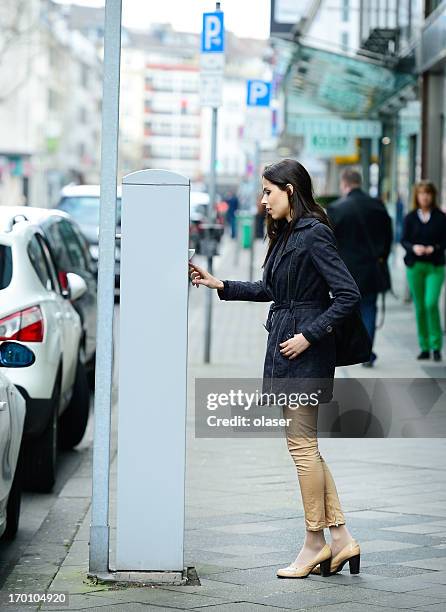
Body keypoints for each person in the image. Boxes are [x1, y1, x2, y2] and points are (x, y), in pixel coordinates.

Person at [189, 159, 362, 579]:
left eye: (268, 191)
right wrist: (221, 285)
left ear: (289, 190)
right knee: (307, 449)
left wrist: (310, 334)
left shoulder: (314, 234)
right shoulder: (287, 234)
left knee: (302, 449)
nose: (263, 200)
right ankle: (341, 540)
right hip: (287, 349)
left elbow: (347, 294)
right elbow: (271, 289)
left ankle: (314, 543)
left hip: (304, 351)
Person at [327, 168, 393, 367]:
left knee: (347, 310)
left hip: (346, 271)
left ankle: (352, 350)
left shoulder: (336, 209)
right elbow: (388, 238)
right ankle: (367, 352)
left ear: (344, 183)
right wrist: (382, 257)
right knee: (369, 309)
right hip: (372, 269)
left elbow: (330, 244)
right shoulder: (378, 206)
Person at [401, 180, 446, 361]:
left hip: (435, 266)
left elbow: (445, 241)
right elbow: (403, 240)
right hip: (415, 266)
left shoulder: (441, 217)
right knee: (419, 307)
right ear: (417, 196)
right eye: (421, 193)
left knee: (430, 303)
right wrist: (414, 248)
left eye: (428, 193)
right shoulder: (410, 217)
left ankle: (436, 345)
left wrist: (433, 248)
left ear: (433, 195)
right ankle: (425, 346)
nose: (425, 197)